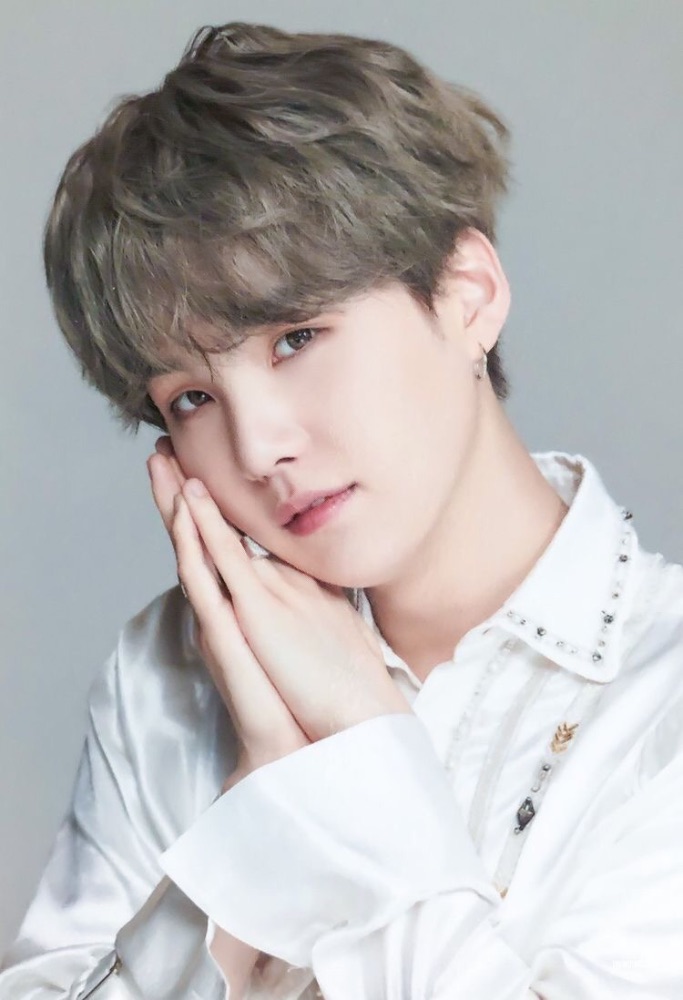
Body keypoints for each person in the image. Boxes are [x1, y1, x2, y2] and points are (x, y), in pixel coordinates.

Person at [1, 19, 682, 1000]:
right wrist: (261, 802)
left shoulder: (660, 698)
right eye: (191, 398)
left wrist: (360, 746)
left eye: (295, 338)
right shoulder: (167, 675)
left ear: (466, 295)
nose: (257, 447)